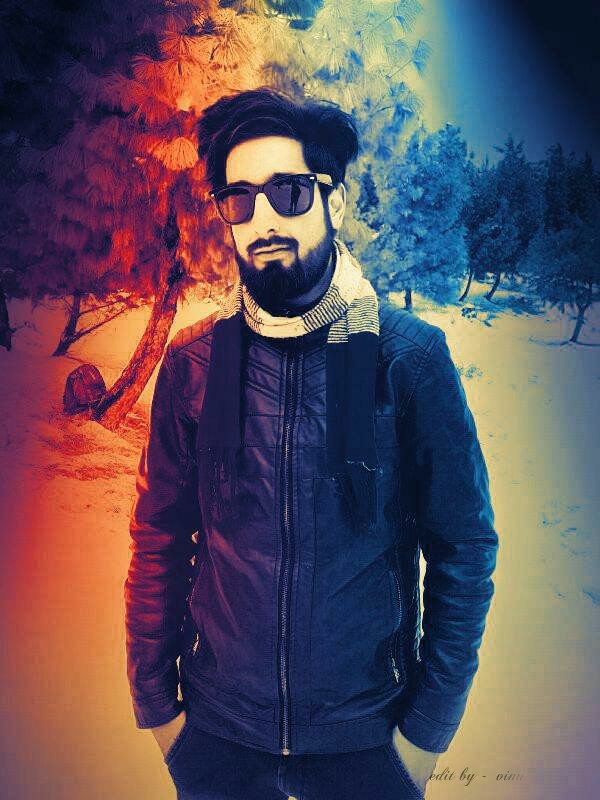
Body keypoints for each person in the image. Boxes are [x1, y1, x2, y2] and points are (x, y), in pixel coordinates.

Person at [125, 87, 499, 800]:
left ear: (335, 201)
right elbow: (159, 538)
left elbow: (464, 548)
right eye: (239, 199)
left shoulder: (406, 361)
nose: (263, 218)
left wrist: (425, 736)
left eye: (288, 192)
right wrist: (159, 713)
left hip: (366, 744)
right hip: (217, 740)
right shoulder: (196, 364)